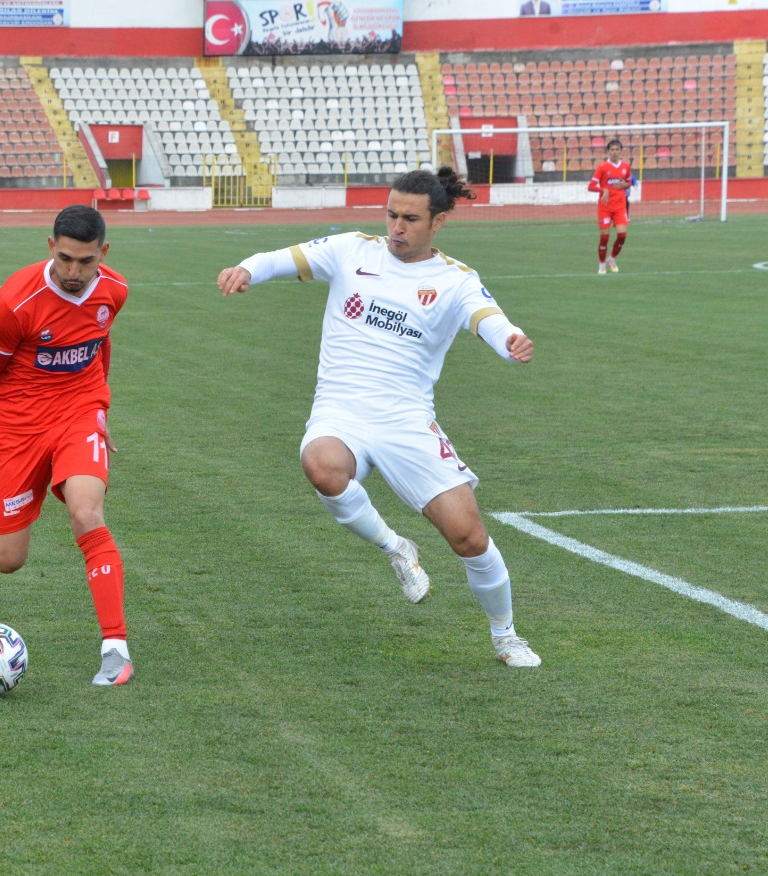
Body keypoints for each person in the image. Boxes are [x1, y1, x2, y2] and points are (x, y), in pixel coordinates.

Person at [215, 167, 542, 668]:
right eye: (391, 215)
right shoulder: (351, 250)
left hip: (406, 419)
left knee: (469, 538)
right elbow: (281, 259)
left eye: (410, 219)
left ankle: (506, 635)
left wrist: (510, 340)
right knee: (321, 465)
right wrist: (245, 269)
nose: (396, 227)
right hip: (341, 407)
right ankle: (395, 547)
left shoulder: (454, 279)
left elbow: (488, 319)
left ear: (439, 222)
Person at [0, 205, 134, 686]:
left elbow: (99, 341)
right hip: (20, 428)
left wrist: (99, 409)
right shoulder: (16, 303)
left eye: (85, 262)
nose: (74, 272)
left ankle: (116, 649)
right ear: (50, 247)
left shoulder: (116, 290)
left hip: (77, 414)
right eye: (65, 258)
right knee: (8, 561)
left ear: (103, 254)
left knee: (87, 512)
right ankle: (38, 487)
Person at [588, 138, 633, 274]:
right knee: (605, 237)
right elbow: (590, 186)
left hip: (620, 207)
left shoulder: (625, 166)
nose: (614, 152)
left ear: (621, 151)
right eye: (612, 150)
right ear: (608, 151)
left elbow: (629, 182)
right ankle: (602, 264)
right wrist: (603, 190)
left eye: (617, 150)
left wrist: (624, 184)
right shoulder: (602, 167)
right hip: (605, 207)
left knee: (622, 235)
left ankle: (611, 259)